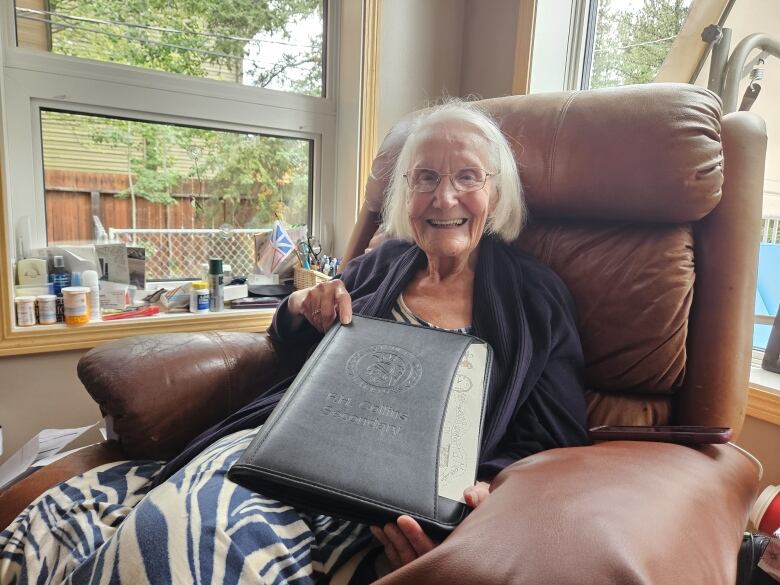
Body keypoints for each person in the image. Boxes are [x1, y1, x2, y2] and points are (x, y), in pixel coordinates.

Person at [0, 101, 588, 584]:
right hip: (282, 452)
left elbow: (556, 440)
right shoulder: (383, 263)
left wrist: (485, 493)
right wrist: (301, 305)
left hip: (383, 502)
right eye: (426, 177)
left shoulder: (533, 299)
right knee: (152, 523)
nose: (444, 198)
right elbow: (291, 350)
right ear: (405, 193)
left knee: (192, 539)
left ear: (497, 192)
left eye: (467, 177)